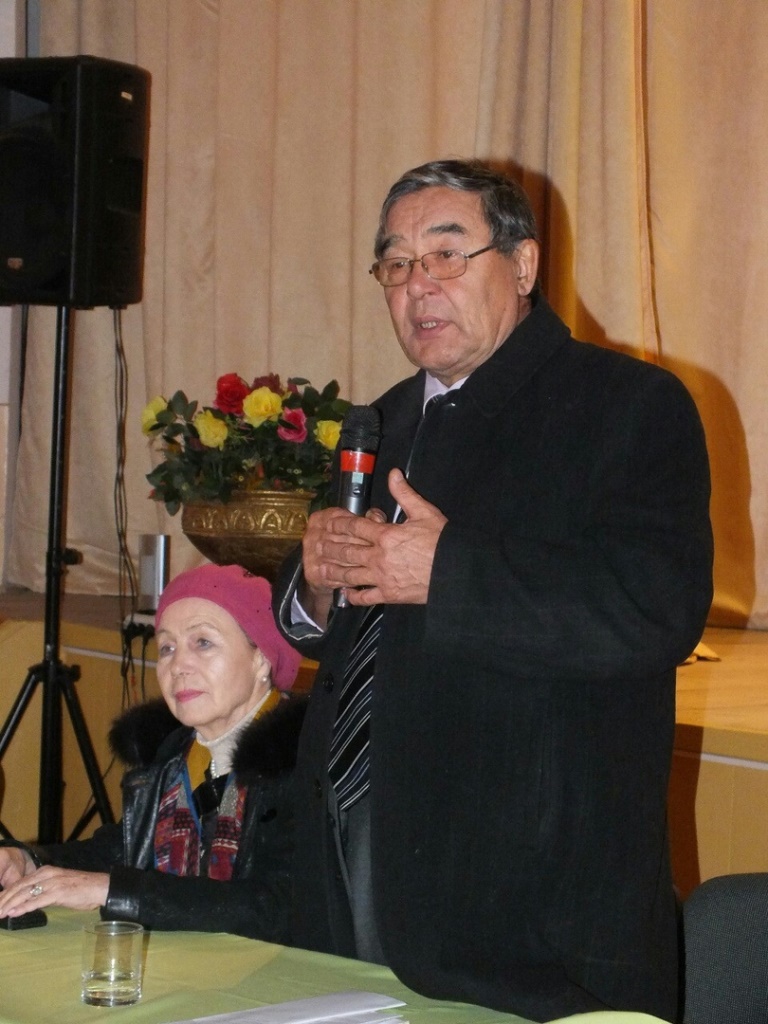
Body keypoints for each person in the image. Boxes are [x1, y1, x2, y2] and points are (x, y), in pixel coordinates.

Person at [272, 158, 714, 1022]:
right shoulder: (384, 419)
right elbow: (336, 626)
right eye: (396, 264)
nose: (418, 285)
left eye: (447, 254)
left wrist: (445, 572)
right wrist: (316, 584)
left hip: (528, 912)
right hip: (353, 856)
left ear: (523, 265)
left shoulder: (629, 405)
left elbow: (653, 610)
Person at [0, 563, 304, 940]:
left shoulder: (303, 758)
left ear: (262, 658)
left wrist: (114, 890)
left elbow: (278, 906)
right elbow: (123, 849)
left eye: (203, 643)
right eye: (167, 648)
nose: (178, 666)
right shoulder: (175, 757)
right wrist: (29, 861)